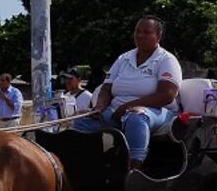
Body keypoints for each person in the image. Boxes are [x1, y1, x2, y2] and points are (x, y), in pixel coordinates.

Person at [73, 15, 181, 169]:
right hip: (117, 112)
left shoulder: (166, 60)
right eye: (137, 31)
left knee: (136, 116)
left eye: (146, 32)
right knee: (82, 121)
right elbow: (106, 88)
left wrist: (127, 107)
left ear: (158, 37)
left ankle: (133, 168)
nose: (140, 35)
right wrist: (99, 107)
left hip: (157, 113)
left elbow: (167, 95)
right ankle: (88, 167)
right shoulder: (124, 58)